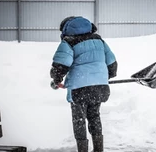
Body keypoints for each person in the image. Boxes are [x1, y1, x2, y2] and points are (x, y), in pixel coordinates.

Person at [50, 16, 117, 152]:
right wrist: (104, 77)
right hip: (100, 87)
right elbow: (112, 64)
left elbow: (60, 65)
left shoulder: (69, 42)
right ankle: (98, 149)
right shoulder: (99, 40)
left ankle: (82, 150)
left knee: (79, 119)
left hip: (79, 89)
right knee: (94, 116)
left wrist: (57, 79)